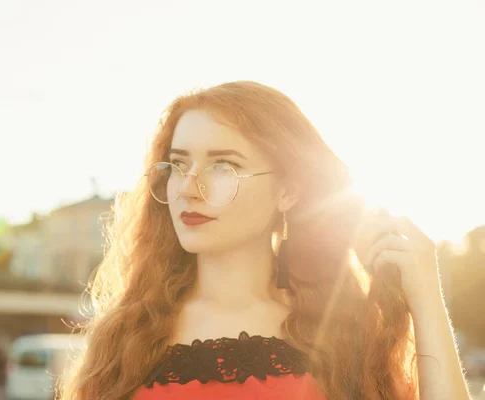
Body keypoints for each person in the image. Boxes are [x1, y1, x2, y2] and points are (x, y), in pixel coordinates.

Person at [60, 81, 471, 399]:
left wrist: (425, 297)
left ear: (288, 191)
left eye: (223, 165)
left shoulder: (346, 331)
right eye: (179, 164)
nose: (189, 187)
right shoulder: (126, 335)